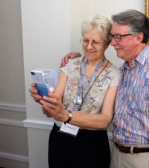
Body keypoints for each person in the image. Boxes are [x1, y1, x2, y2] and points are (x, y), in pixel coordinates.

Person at [61, 9, 149, 168]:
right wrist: (80, 59)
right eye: (112, 37)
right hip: (116, 155)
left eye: (118, 37)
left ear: (138, 37)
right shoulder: (121, 71)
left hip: (147, 158)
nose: (113, 43)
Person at [29, 15, 121, 168]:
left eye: (95, 42)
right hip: (60, 138)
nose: (89, 46)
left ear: (107, 43)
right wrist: (45, 101)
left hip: (91, 144)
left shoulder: (114, 74)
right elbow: (51, 111)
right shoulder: (70, 65)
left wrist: (66, 115)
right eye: (85, 40)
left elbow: (105, 120)